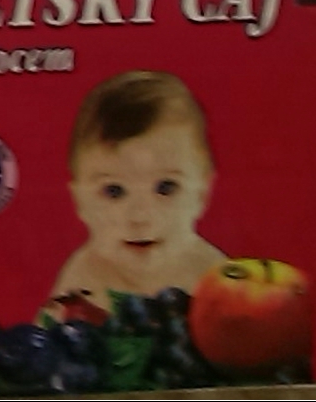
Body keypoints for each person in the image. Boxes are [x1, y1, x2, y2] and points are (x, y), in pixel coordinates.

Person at [47, 69, 225, 307]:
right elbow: (48, 330)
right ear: (80, 202)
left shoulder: (212, 276)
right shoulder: (82, 278)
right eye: (114, 191)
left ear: (201, 194)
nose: (140, 216)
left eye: (166, 188)